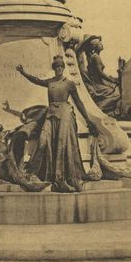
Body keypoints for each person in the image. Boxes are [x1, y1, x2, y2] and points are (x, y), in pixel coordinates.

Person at [16, 56, 97, 192]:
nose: (58, 69)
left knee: (62, 143)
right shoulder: (50, 82)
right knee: (42, 141)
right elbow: (37, 81)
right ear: (54, 69)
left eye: (60, 67)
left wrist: (88, 120)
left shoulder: (69, 84)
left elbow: (79, 102)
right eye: (56, 67)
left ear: (63, 68)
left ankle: (62, 177)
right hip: (51, 113)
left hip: (65, 113)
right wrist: (23, 73)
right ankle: (34, 172)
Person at [77, 35, 121, 116]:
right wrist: (112, 80)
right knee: (117, 94)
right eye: (100, 43)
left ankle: (104, 109)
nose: (102, 45)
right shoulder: (96, 57)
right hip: (97, 84)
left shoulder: (94, 56)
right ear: (95, 47)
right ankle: (100, 108)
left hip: (98, 82)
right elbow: (100, 73)